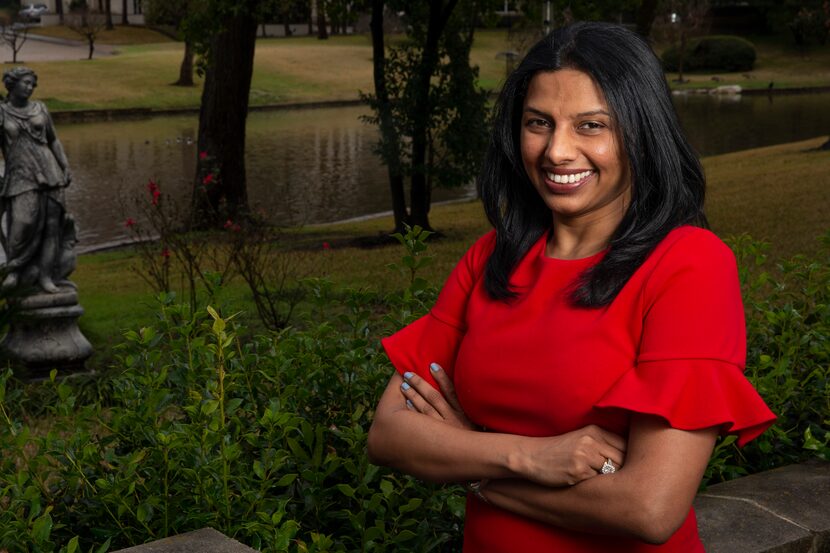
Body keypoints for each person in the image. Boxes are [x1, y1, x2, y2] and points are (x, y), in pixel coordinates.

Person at [367, 22, 775, 552]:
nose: (557, 151)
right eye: (539, 122)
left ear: (641, 131)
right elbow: (389, 434)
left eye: (590, 125)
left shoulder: (689, 265)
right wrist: (524, 456)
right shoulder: (491, 258)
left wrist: (468, 465)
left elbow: (648, 508)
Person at [0, 66, 73, 294]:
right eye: (26, 83)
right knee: (22, 224)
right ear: (12, 84)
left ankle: (46, 277)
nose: (30, 88)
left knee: (52, 228)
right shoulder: (2, 113)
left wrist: (65, 165)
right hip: (20, 176)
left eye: (32, 84)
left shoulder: (40, 108)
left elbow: (53, 140)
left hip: (50, 172)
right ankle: (14, 269)